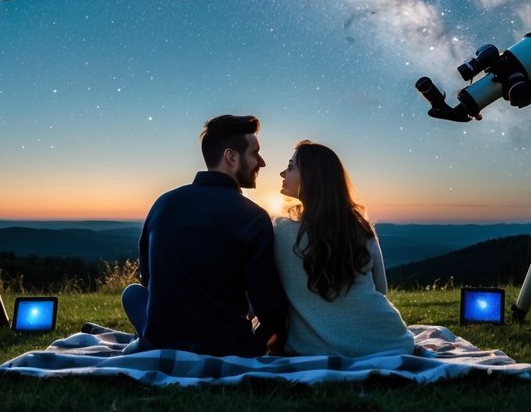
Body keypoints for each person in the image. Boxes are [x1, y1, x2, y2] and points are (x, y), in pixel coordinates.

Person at [122, 114, 288, 356]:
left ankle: (142, 339)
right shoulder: (252, 217)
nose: (261, 162)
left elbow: (148, 279)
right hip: (224, 345)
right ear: (230, 157)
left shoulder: (163, 204)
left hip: (161, 341)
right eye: (255, 153)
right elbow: (270, 308)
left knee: (133, 293)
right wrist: (259, 343)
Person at [272, 141, 414, 357]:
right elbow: (381, 288)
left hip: (312, 348)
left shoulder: (279, 231)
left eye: (291, 168)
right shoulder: (360, 228)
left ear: (311, 177)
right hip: (387, 341)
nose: (283, 173)